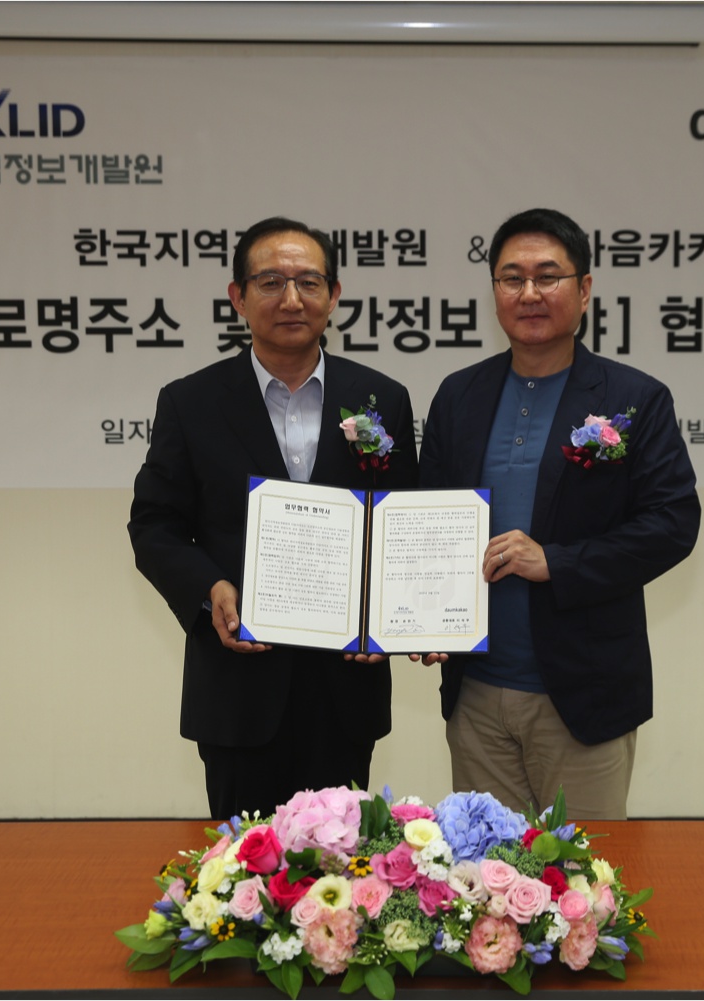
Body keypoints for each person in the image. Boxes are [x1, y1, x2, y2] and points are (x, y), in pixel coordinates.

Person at [415, 208, 700, 820]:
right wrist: (417, 618)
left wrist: (557, 562)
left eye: (548, 276)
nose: (529, 293)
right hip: (475, 694)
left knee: (582, 874)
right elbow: (424, 519)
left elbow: (672, 524)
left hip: (583, 693)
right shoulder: (458, 396)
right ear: (494, 290)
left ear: (585, 288)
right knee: (482, 870)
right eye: (511, 278)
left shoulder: (634, 398)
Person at [129, 216, 418, 820]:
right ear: (238, 297)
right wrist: (210, 589)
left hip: (346, 686)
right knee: (244, 864)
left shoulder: (382, 398)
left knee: (344, 862)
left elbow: (402, 526)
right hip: (239, 690)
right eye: (270, 282)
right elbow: (154, 525)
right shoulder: (190, 401)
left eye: (309, 282)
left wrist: (391, 621)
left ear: (333, 296)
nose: (291, 299)